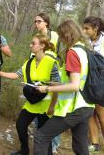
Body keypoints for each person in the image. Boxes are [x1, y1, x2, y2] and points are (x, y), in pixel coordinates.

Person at [34, 20, 95, 155]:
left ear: (67, 35)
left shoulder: (73, 53)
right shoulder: (85, 50)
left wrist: (47, 89)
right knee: (80, 147)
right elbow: (79, 80)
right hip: (87, 106)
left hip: (73, 108)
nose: (60, 39)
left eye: (61, 36)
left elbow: (74, 85)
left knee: (41, 136)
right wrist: (57, 84)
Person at [0, 34, 59, 155]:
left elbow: (57, 86)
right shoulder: (29, 62)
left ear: (42, 46)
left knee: (44, 136)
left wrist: (52, 106)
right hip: (32, 102)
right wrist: (0, 73)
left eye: (33, 43)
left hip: (46, 106)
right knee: (20, 125)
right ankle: (24, 150)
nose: (30, 45)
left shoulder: (51, 63)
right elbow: (16, 75)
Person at [34, 12, 61, 153]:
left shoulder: (55, 36)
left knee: (52, 112)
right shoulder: (37, 38)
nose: (36, 24)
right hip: (38, 79)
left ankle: (54, 144)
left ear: (46, 23)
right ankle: (42, 142)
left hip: (52, 79)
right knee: (39, 112)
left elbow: (57, 56)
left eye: (38, 21)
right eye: (35, 22)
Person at [83, 16, 104, 153]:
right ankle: (95, 144)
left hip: (102, 82)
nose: (84, 31)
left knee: (103, 117)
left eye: (87, 28)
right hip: (88, 81)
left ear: (96, 28)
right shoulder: (86, 41)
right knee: (89, 113)